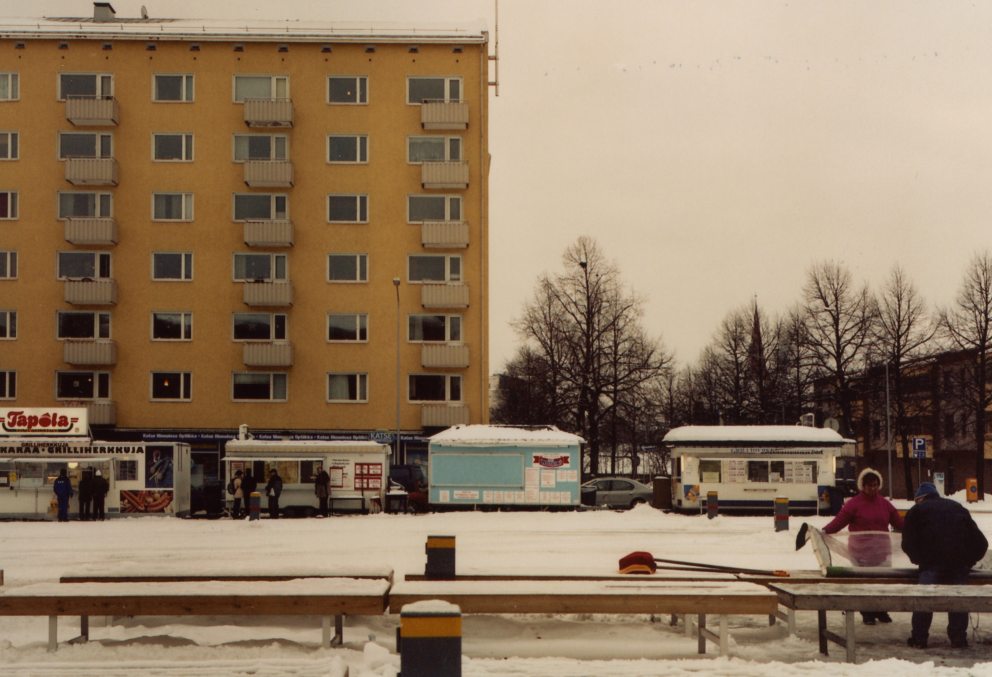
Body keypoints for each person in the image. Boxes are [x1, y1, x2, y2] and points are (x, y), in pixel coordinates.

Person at [902, 481, 989, 649]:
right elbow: (981, 543)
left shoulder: (917, 510)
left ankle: (919, 639)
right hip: (958, 564)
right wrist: (968, 561)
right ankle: (958, 639)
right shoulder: (957, 507)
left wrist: (920, 560)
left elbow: (908, 542)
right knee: (959, 600)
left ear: (919, 498)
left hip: (931, 564)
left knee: (925, 599)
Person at [822, 467, 904, 624]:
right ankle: (867, 612)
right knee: (865, 583)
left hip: (881, 552)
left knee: (882, 583)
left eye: (875, 485)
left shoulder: (885, 504)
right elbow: (838, 522)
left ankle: (881, 610)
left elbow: (899, 523)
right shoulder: (853, 504)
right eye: (869, 485)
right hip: (860, 553)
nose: (872, 488)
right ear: (862, 486)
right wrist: (824, 531)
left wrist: (916, 528)